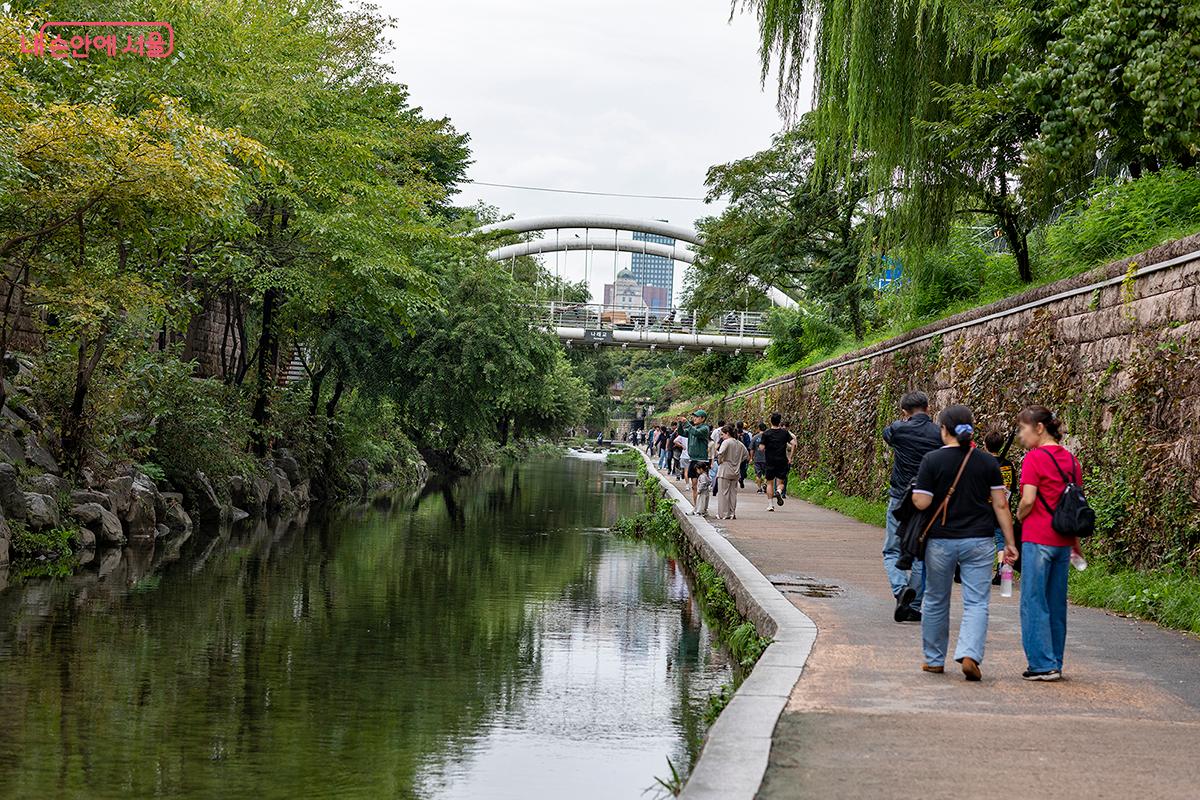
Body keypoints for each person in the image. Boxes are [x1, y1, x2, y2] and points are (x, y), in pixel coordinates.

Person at [911, 404, 1018, 682]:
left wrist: (915, 495)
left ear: (944, 430)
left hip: (940, 541)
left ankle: (934, 660)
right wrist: (1009, 542)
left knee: (935, 599)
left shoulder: (932, 460)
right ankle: (970, 654)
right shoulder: (986, 462)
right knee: (976, 602)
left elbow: (922, 501)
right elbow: (1001, 505)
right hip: (980, 540)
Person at [1015, 405, 1081, 682]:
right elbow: (1075, 503)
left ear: (1039, 428)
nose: (1020, 436)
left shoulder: (1034, 458)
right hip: (1063, 541)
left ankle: (1041, 664)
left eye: (1022, 429)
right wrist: (1076, 544)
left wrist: (1017, 517)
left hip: (1037, 537)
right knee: (1056, 603)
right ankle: (1055, 660)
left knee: (1033, 601)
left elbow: (1028, 499)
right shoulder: (1072, 460)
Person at [882, 391, 943, 622]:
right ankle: (913, 604)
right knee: (921, 552)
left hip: (900, 496)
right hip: (929, 498)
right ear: (928, 407)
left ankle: (900, 590)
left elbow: (887, 434)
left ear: (904, 412)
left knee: (892, 549)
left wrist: (904, 422)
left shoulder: (898, 429)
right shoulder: (939, 433)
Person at [984, 429, 1018, 583]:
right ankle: (1001, 569)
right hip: (1003, 507)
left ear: (985, 445)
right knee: (1000, 540)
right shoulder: (1009, 465)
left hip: (985, 508)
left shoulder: (983, 463)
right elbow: (1013, 488)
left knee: (981, 539)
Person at [758, 412, 795, 512]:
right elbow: (793, 443)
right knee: (781, 482)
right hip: (782, 460)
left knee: (769, 483)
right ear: (779, 422)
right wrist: (790, 457)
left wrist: (762, 446)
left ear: (771, 421)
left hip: (770, 461)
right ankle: (778, 491)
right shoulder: (784, 433)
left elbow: (761, 448)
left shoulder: (766, 433)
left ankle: (770, 505)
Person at [680, 411, 712, 510]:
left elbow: (696, 433)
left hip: (701, 460)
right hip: (692, 459)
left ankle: (703, 508)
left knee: (702, 485)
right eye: (694, 417)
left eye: (697, 417)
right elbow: (681, 433)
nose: (694, 419)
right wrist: (680, 424)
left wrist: (686, 423)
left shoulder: (704, 428)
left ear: (702, 418)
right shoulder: (692, 429)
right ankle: (695, 507)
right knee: (694, 485)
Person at [716, 424, 749, 519]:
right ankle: (732, 513)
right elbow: (746, 455)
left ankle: (723, 513)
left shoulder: (726, 442)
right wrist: (738, 461)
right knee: (733, 493)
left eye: (722, 434)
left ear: (727, 433)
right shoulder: (739, 444)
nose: (721, 437)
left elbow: (720, 453)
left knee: (723, 493)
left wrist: (720, 459)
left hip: (725, 470)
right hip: (735, 471)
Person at [751, 422, 768, 493]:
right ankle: (764, 484)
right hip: (767, 458)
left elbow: (751, 449)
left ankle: (759, 488)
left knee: (758, 474)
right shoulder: (768, 437)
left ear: (758, 429)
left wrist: (751, 458)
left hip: (757, 459)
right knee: (767, 474)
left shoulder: (755, 437)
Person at [737, 422, 752, 488]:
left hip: (736, 453)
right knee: (743, 467)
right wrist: (749, 455)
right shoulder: (746, 435)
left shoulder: (734, 434)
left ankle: (736, 478)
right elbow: (749, 445)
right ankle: (742, 478)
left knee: (736, 466)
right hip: (744, 453)